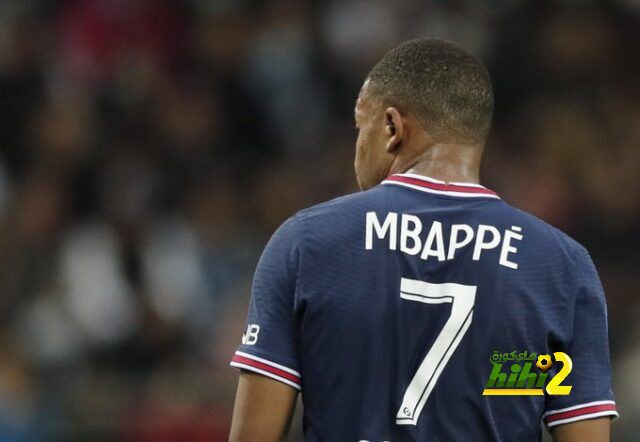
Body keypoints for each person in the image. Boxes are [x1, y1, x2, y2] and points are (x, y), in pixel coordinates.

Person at [228, 38, 617, 442]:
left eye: (360, 127)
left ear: (392, 128)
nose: (357, 147)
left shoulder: (307, 244)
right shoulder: (559, 265)